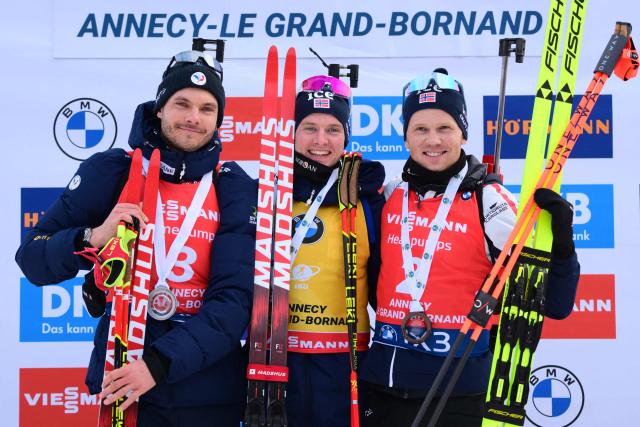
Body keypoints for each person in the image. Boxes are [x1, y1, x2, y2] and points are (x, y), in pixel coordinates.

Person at [15, 47, 256, 426]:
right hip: (123, 378)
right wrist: (92, 237)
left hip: (207, 390)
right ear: (160, 107)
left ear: (218, 119)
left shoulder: (234, 187)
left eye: (207, 109)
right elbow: (32, 259)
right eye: (182, 104)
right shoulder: (111, 171)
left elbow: (235, 301)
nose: (193, 118)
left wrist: (158, 365)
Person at [358, 68, 580, 426]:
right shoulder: (389, 196)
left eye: (445, 128)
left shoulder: (488, 200)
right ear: (405, 137)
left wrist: (562, 245)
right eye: (421, 129)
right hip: (383, 385)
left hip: (458, 391)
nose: (433, 140)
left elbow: (553, 303)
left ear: (463, 133)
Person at [284, 75, 385, 427]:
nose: (320, 141)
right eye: (309, 128)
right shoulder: (268, 190)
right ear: (292, 132)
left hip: (345, 364)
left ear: (346, 136)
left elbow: (386, 286)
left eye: (333, 130)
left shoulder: (369, 198)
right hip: (278, 359)